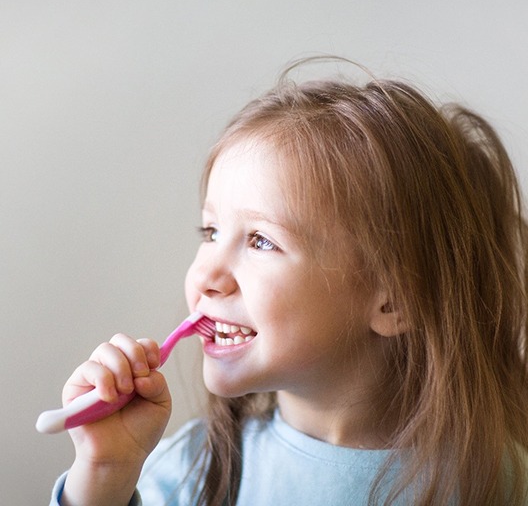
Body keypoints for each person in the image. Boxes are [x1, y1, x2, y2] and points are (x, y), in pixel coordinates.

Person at [50, 60, 528, 505]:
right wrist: (104, 474)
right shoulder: (194, 471)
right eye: (211, 232)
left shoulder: (493, 482)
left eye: (261, 241)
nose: (208, 276)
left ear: (395, 300)